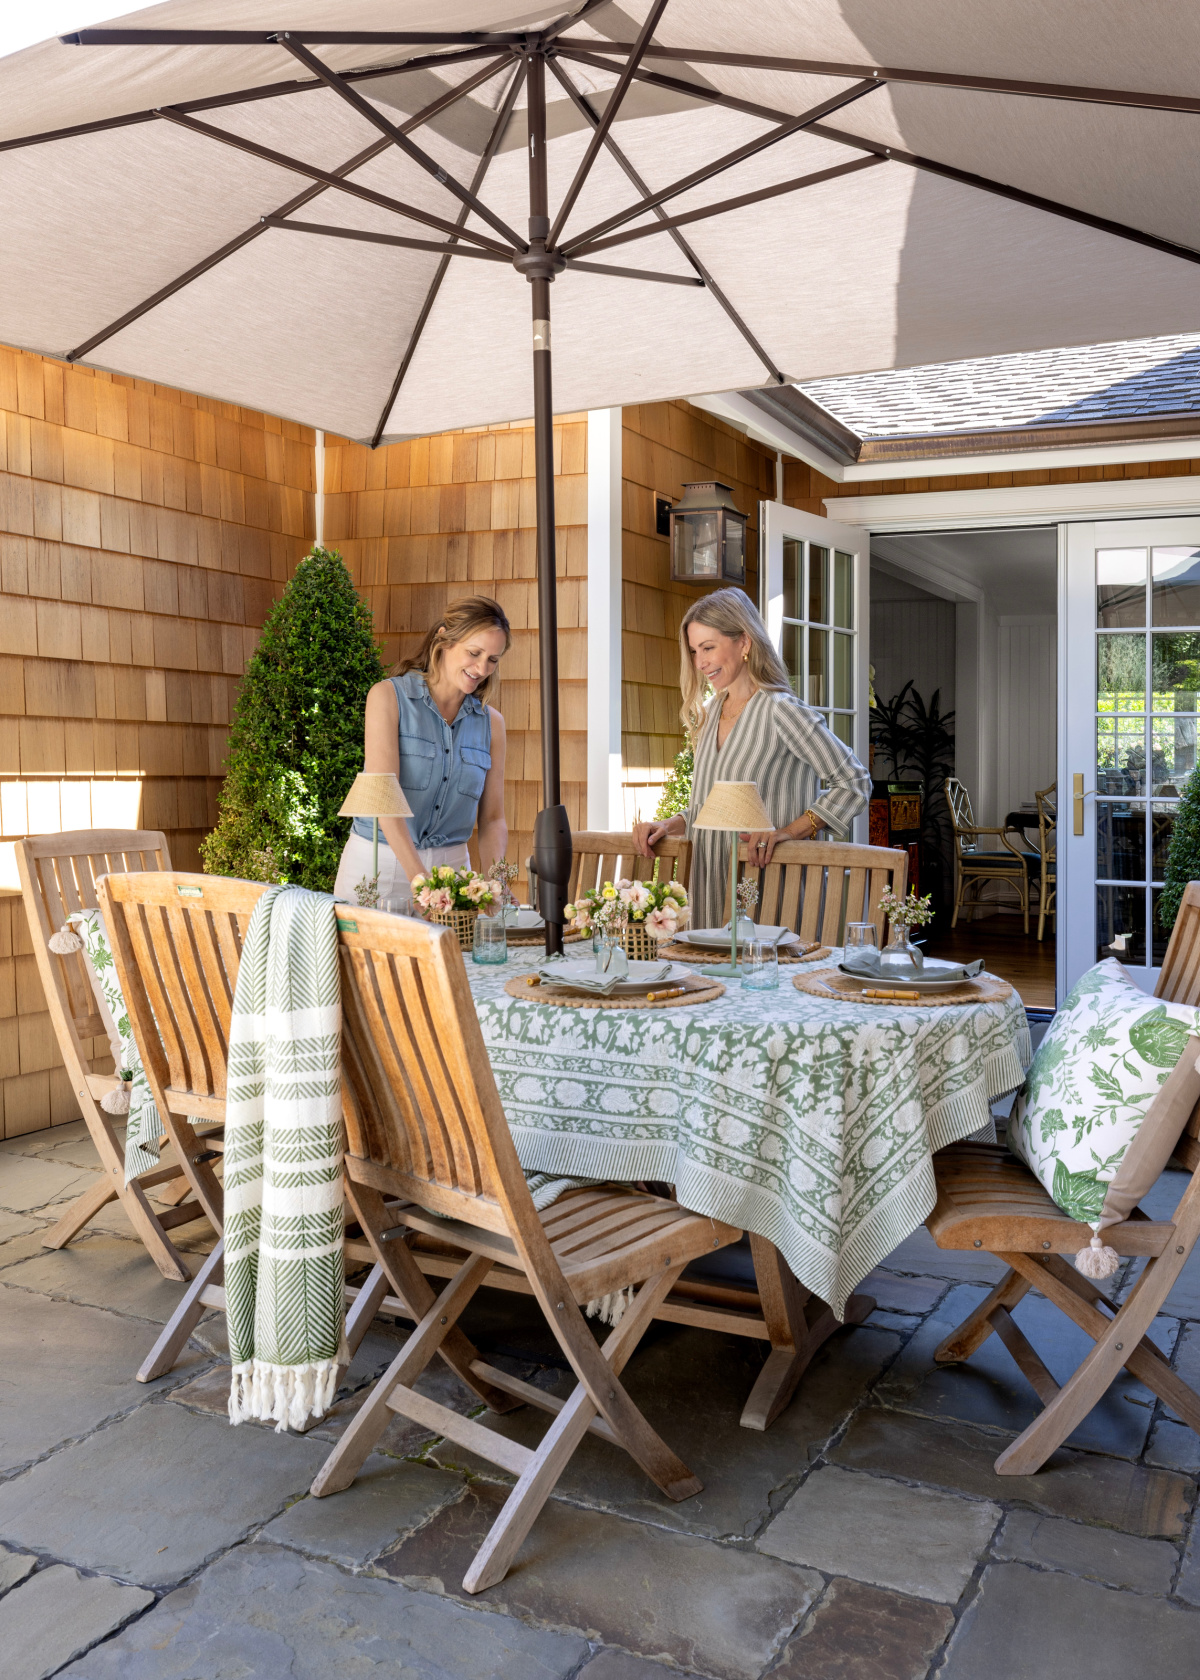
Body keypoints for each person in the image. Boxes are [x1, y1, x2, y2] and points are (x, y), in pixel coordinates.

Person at [633, 587, 871, 928]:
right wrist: (669, 825)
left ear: (744, 642)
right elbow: (710, 804)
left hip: (768, 888)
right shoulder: (710, 712)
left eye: (709, 647)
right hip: (707, 885)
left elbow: (854, 781)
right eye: (694, 651)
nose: (700, 663)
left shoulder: (782, 711)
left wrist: (790, 832)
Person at [333, 595, 510, 903]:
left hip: (454, 874)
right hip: (380, 864)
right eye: (474, 652)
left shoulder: (492, 724)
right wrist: (421, 882)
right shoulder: (387, 698)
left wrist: (496, 882)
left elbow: (493, 818)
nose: (482, 668)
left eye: (492, 659)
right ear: (443, 639)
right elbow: (384, 802)